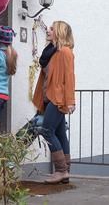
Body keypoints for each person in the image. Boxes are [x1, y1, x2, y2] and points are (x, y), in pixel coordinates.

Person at [33, 20, 75, 184]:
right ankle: (66, 172)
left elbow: (69, 77)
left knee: (47, 130)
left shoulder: (65, 52)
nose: (48, 31)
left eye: (51, 29)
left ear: (59, 32)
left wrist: (70, 101)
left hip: (58, 98)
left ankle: (61, 170)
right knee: (59, 133)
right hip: (49, 96)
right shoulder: (52, 52)